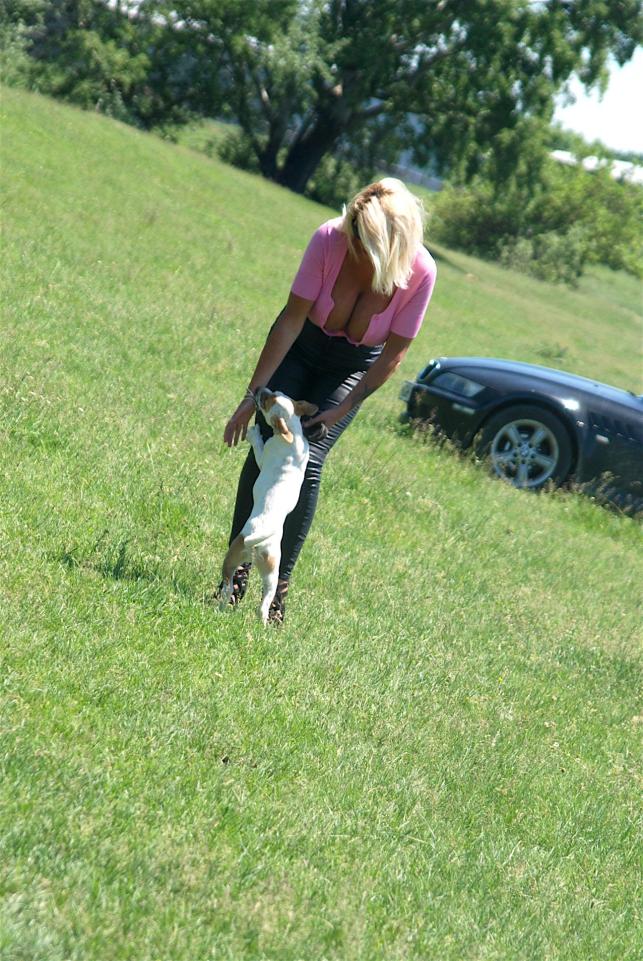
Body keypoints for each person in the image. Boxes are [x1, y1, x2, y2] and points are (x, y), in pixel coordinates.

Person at [220, 177, 437, 623]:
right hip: (301, 346)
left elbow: (393, 356)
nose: (353, 244)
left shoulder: (421, 273)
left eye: (363, 241)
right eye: (352, 233)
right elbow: (290, 321)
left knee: (309, 459)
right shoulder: (328, 239)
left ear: (390, 247)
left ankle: (278, 591)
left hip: (352, 368)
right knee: (269, 449)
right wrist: (251, 395)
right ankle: (234, 575)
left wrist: (343, 408)